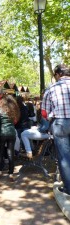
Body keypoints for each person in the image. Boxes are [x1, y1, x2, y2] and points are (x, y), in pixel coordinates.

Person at [42, 64, 70, 195]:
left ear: (58, 74)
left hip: (60, 122)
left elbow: (44, 113)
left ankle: (69, 188)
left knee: (64, 157)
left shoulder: (52, 88)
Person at [0, 95, 20, 181]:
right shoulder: (13, 110)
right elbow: (15, 121)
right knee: (10, 153)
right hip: (12, 133)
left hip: (2, 133)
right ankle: (11, 174)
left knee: (0, 152)